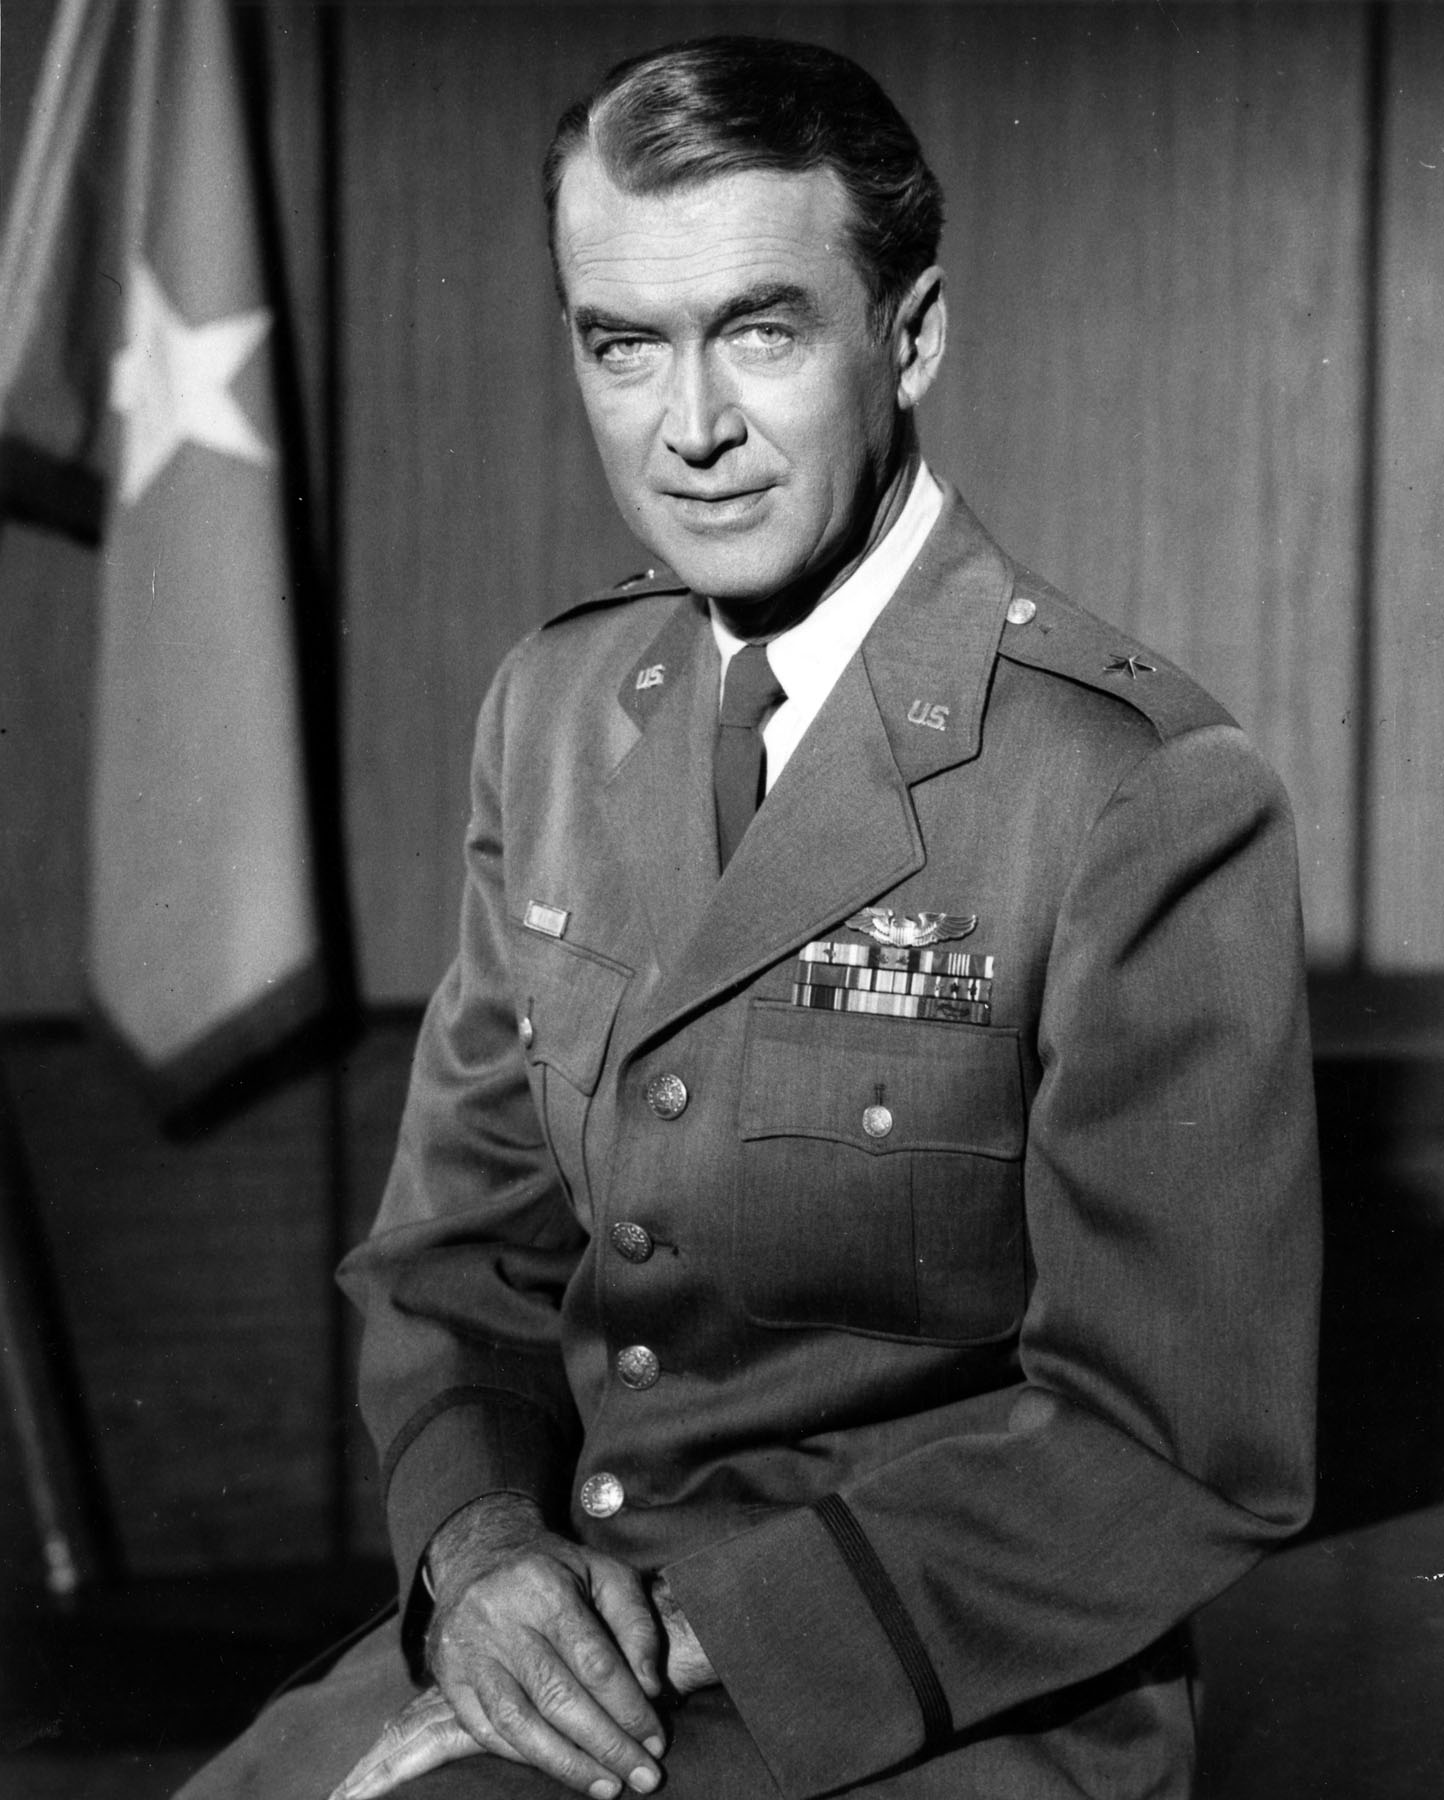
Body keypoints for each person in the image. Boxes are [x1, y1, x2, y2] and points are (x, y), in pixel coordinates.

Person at [178, 34, 1320, 1800]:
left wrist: (681, 1631)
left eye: (761, 332)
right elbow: (456, 1262)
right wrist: (483, 1557)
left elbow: (1179, 1444)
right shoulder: (556, 711)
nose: (689, 428)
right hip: (566, 1612)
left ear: (910, 336)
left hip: (940, 1684)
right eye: (623, 344)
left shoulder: (1131, 786)